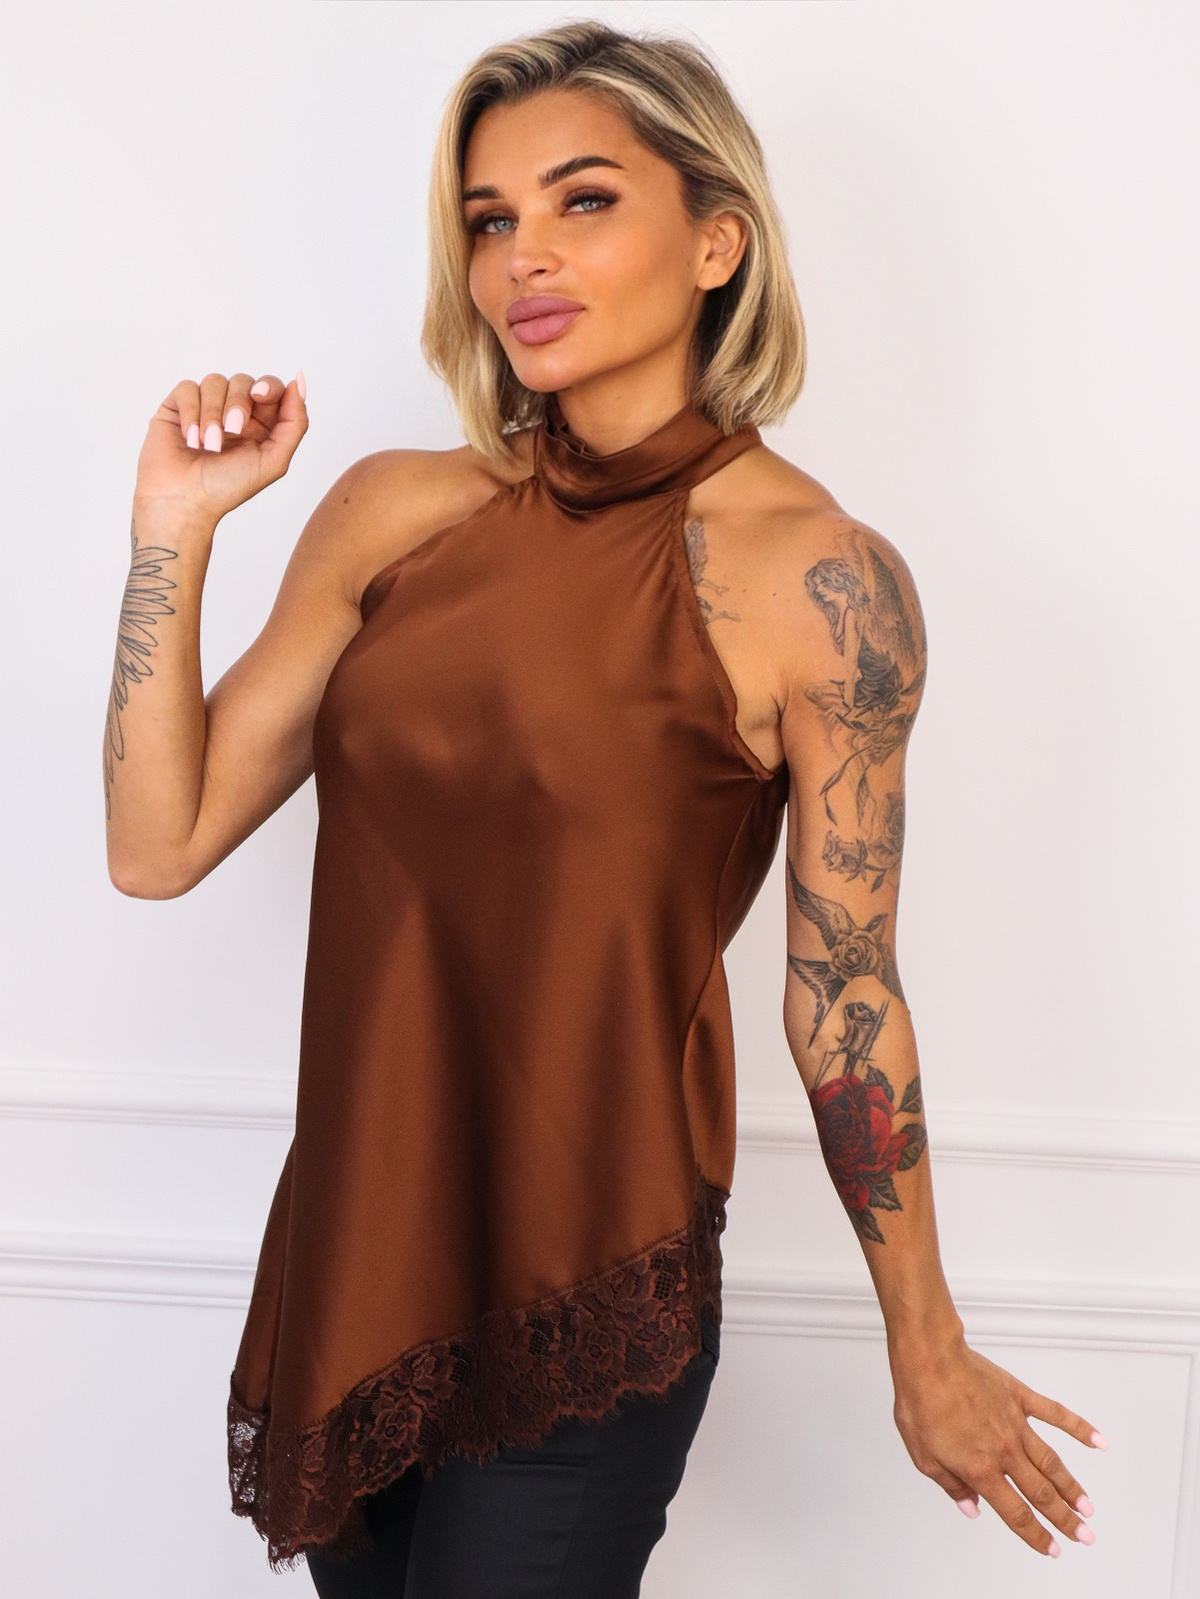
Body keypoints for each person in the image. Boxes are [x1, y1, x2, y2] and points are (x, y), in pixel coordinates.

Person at [103, 18, 1106, 1597]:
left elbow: (846, 991)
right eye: (490, 218)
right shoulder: (393, 515)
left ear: (717, 242)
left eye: (583, 200)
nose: (523, 257)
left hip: (593, 1271)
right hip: (364, 1255)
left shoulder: (821, 581)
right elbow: (156, 845)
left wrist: (925, 1344)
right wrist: (175, 530)